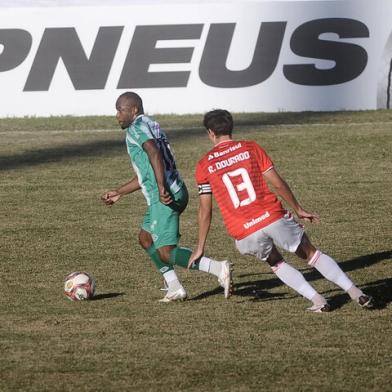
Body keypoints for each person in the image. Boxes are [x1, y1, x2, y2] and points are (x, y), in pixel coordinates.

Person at [188, 109, 372, 312]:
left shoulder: (203, 165)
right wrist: (298, 208)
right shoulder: (250, 147)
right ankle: (356, 292)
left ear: (210, 133)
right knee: (311, 254)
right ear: (230, 128)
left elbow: (205, 210)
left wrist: (200, 246)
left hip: (243, 229)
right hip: (271, 215)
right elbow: (277, 183)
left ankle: (318, 301)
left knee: (276, 263)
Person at [101, 93, 232, 302]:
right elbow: (148, 170)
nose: (117, 115)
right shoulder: (152, 125)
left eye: (120, 110)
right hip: (175, 189)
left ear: (134, 110)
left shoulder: (136, 128)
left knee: (165, 252)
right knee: (145, 238)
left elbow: (154, 154)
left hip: (163, 196)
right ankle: (174, 287)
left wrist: (161, 188)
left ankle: (218, 268)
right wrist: (119, 192)